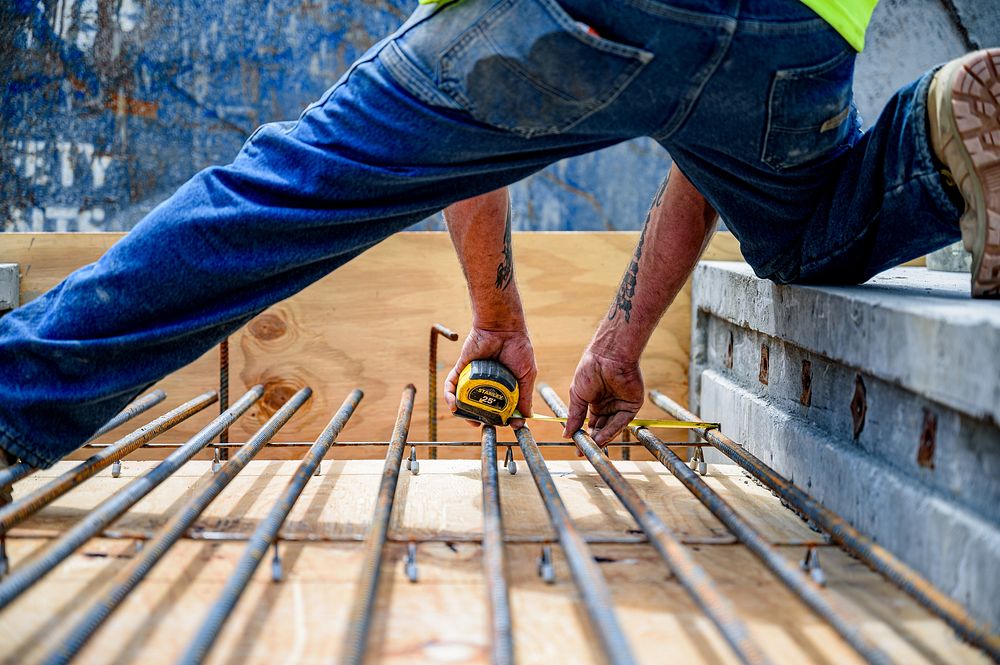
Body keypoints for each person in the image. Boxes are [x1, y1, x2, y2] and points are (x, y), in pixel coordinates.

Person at [0, 0, 997, 470]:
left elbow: (460, 150)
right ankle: (931, 129)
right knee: (805, 229)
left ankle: (16, 396)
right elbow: (702, 134)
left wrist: (495, 314)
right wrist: (619, 336)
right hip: (797, 28)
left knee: (292, 190)